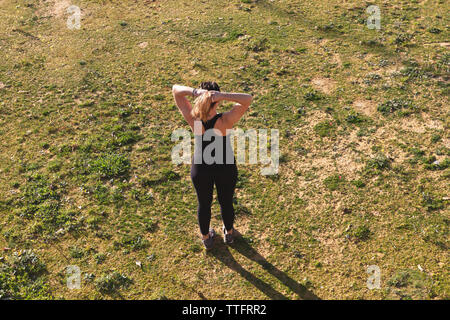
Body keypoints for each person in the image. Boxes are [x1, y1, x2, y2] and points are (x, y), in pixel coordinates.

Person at [172, 81, 253, 250]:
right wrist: (223, 95)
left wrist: (195, 92)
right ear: (217, 101)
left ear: (199, 99)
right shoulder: (226, 120)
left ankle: (206, 238)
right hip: (226, 166)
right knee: (226, 201)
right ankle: (229, 233)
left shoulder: (193, 118)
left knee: (204, 203)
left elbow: (176, 90)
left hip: (201, 168)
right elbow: (247, 99)